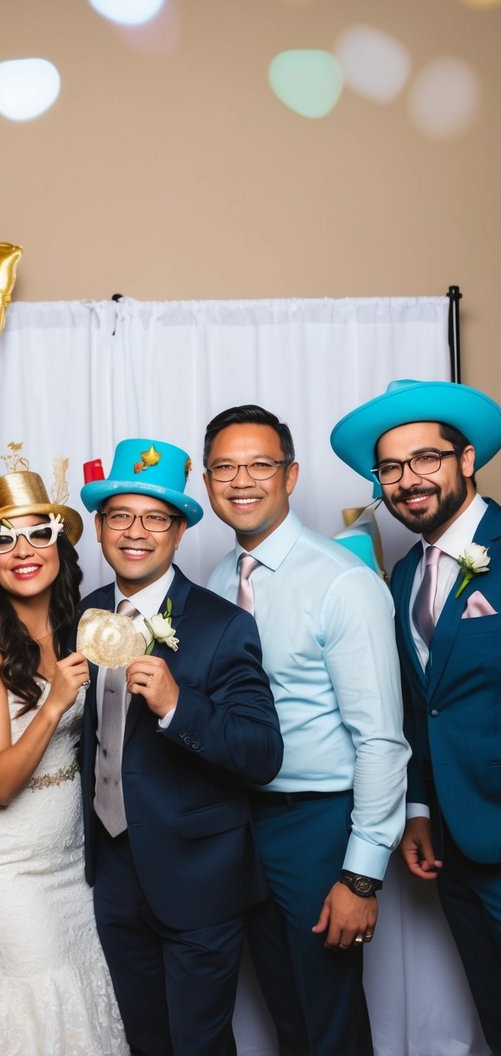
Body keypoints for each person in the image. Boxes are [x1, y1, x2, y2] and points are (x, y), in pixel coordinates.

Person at [202, 405, 410, 1056]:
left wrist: (359, 878)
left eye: (259, 464)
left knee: (328, 1019)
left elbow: (380, 738)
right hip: (239, 826)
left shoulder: (341, 582)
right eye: (224, 467)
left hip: (315, 827)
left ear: (289, 476)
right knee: (284, 1014)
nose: (241, 480)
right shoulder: (212, 582)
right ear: (207, 482)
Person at [79, 438, 283, 1056]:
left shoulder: (223, 625)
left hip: (198, 877)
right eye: (120, 516)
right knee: (142, 1040)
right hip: (113, 869)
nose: (136, 532)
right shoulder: (86, 613)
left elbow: (262, 753)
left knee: (197, 1044)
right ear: (99, 527)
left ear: (177, 532)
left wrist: (176, 705)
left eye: (156, 518)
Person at [331, 378, 501, 1056]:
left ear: (465, 460)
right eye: (391, 468)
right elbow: (424, 704)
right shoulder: (401, 574)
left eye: (425, 458)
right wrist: (420, 808)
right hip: (456, 845)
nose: (407, 480)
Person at [0, 469, 129, 1056]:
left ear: (59, 545)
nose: (22, 552)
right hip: (4, 863)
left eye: (37, 535)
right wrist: (53, 705)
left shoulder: (82, 629)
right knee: (31, 1001)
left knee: (77, 996)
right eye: (2, 541)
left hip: (70, 858)